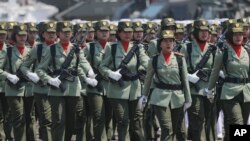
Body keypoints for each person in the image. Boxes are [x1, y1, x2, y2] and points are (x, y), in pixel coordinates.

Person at [36, 21, 97, 141]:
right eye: (64, 32)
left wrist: (89, 71)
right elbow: (40, 70)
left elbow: (83, 61)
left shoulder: (76, 49)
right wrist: (50, 80)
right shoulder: (52, 49)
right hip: (57, 90)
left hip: (73, 89)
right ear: (59, 33)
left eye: (69, 32)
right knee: (58, 120)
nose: (67, 34)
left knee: (71, 121)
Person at [99, 20, 149, 141]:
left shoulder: (138, 48)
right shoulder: (113, 48)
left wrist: (140, 70)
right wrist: (111, 73)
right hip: (117, 90)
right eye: (124, 32)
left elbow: (146, 62)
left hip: (134, 89)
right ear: (119, 33)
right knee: (123, 121)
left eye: (130, 32)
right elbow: (102, 67)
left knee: (136, 121)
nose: (128, 34)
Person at [141, 30, 191, 141]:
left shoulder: (179, 59)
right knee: (167, 128)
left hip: (177, 97)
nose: (168, 43)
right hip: (160, 97)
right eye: (165, 41)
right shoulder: (154, 60)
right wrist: (144, 96)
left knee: (176, 129)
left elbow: (185, 80)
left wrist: (188, 99)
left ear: (174, 43)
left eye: (171, 41)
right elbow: (148, 79)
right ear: (160, 44)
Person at [206, 22, 250, 141]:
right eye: (235, 34)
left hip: (246, 92)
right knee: (237, 122)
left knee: (243, 125)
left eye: (240, 34)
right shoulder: (223, 52)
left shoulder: (247, 51)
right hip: (230, 92)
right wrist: (210, 89)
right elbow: (215, 72)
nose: (238, 37)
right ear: (230, 35)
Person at [20, 21, 57, 141]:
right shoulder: (38, 49)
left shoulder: (61, 48)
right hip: (42, 89)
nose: (51, 35)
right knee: (46, 120)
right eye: (48, 33)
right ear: (43, 34)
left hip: (58, 89)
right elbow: (24, 66)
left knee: (58, 119)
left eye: (53, 33)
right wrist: (31, 75)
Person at [180, 19, 215, 141]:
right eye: (201, 31)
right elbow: (179, 67)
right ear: (195, 32)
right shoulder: (187, 48)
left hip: (210, 90)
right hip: (194, 91)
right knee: (197, 120)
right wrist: (189, 77)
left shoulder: (213, 49)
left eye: (206, 31)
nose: (204, 34)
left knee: (210, 120)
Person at [0, 24, 31, 141]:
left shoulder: (31, 51)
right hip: (13, 88)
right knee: (18, 118)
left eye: (24, 35)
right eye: (20, 35)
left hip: (29, 89)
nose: (22, 38)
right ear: (15, 36)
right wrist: (8, 75)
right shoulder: (8, 51)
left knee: (30, 118)